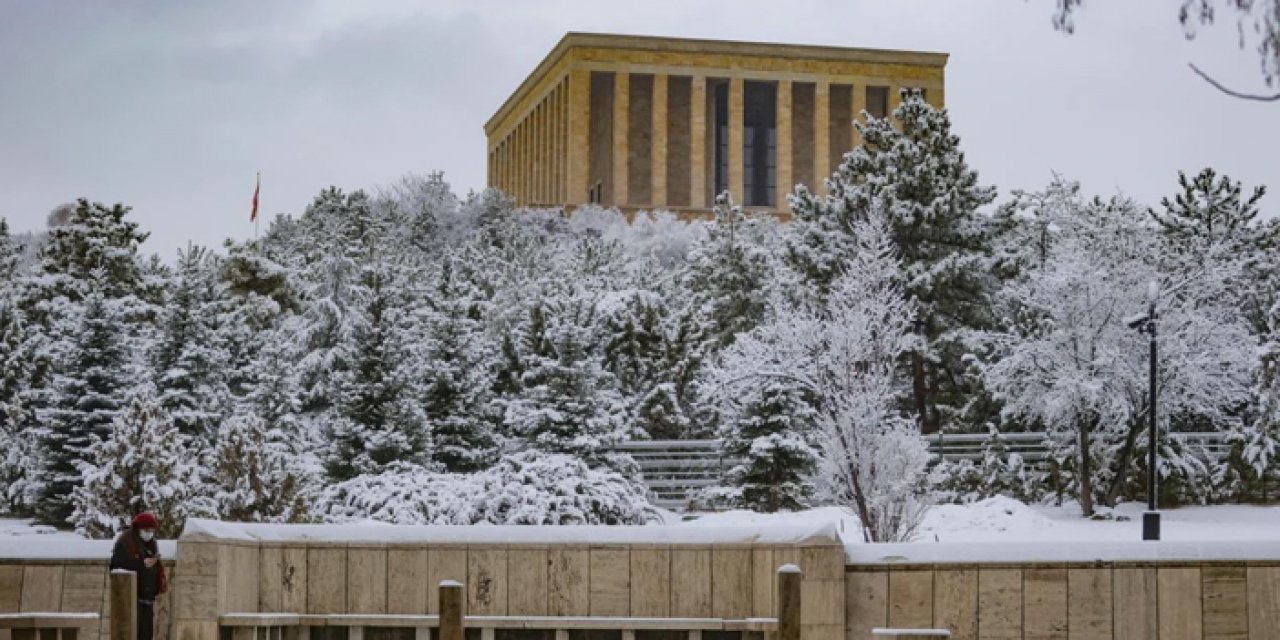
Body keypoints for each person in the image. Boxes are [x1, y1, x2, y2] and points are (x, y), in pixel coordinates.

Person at [109, 512, 168, 640]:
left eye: (152, 530)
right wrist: (141, 564)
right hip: (131, 597)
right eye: (147, 530)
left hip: (147, 597)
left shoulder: (151, 543)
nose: (149, 533)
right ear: (138, 528)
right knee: (132, 632)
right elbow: (118, 565)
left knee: (146, 633)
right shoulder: (125, 542)